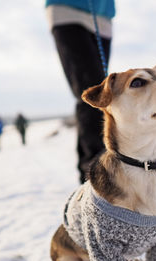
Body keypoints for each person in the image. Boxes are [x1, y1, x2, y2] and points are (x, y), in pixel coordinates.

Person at [45, 0, 115, 184]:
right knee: (93, 94)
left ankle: (106, 166)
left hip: (103, 16)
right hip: (66, 11)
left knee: (103, 91)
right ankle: (94, 176)